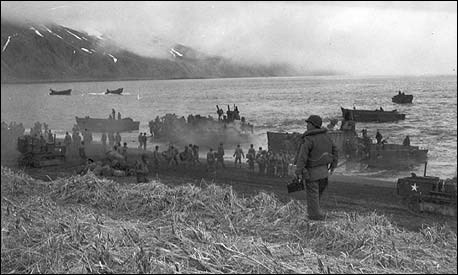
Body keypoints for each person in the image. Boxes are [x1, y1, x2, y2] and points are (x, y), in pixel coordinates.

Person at [295, 115, 338, 221]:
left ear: (313, 125)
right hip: (324, 172)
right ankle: (316, 212)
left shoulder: (309, 138)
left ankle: (314, 216)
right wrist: (333, 165)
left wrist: (298, 171)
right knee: (317, 194)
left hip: (312, 173)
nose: (307, 125)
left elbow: (302, 157)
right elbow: (335, 150)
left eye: (308, 123)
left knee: (312, 195)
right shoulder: (327, 136)